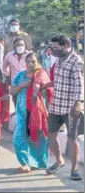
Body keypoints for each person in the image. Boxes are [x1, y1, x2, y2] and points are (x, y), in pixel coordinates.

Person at [46, 35, 84, 181]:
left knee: (72, 139)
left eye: (56, 48)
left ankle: (74, 170)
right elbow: (60, 80)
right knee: (51, 135)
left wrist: (78, 103)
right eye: (52, 47)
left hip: (71, 108)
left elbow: (79, 84)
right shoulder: (59, 59)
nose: (53, 50)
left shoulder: (76, 61)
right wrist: (47, 85)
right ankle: (59, 160)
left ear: (66, 45)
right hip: (56, 106)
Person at [10, 53, 53, 173]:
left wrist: (39, 87)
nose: (30, 64)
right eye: (28, 61)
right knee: (18, 138)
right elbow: (12, 92)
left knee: (40, 138)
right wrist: (22, 86)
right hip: (23, 113)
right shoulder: (20, 76)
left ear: (38, 62)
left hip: (38, 113)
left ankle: (39, 163)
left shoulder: (42, 75)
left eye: (33, 61)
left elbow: (50, 92)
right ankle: (25, 163)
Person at [3, 38, 31, 105]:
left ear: (25, 46)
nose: (20, 47)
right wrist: (7, 77)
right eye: (18, 45)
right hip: (15, 84)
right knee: (16, 103)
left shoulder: (30, 55)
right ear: (14, 46)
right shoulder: (9, 56)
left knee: (28, 104)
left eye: (22, 45)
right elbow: (4, 67)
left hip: (27, 84)